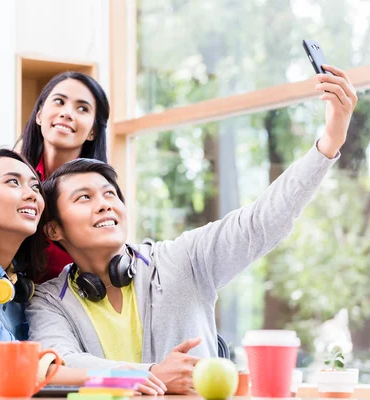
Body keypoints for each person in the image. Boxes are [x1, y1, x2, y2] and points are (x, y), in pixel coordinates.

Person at [26, 65, 357, 394]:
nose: (104, 204)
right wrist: (151, 373)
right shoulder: (48, 301)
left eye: (110, 194)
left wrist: (329, 141)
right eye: (84, 198)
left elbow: (262, 220)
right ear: (54, 230)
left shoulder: (181, 259)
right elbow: (58, 365)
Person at [0, 149, 166, 395]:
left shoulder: (18, 286)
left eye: (34, 185)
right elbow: (20, 364)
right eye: (13, 182)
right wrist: (123, 374)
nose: (31, 194)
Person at [18, 71, 110, 282]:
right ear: (39, 115)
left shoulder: (102, 195)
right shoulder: (12, 175)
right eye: (59, 101)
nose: (67, 113)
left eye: (82, 108)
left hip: (73, 302)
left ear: (92, 132)